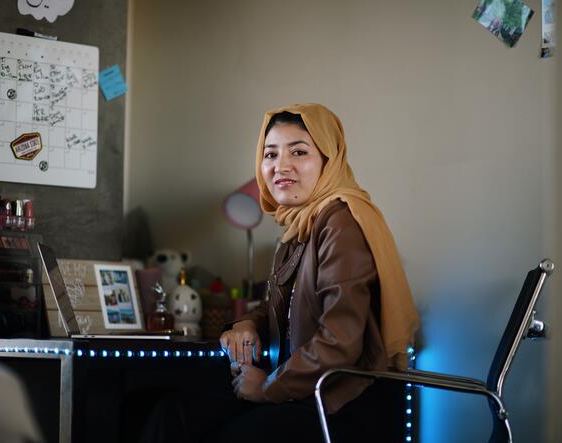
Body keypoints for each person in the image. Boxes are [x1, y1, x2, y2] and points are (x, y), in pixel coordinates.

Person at [141, 103, 419, 443]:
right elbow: (281, 305)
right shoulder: (300, 223)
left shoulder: (341, 221)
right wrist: (246, 324)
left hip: (338, 400)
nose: (280, 166)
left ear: (328, 161)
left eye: (299, 152)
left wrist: (270, 387)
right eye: (270, 154)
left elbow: (339, 342)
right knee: (173, 413)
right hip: (300, 390)